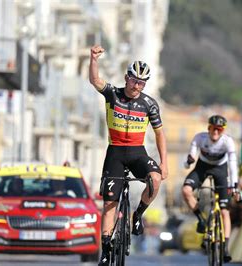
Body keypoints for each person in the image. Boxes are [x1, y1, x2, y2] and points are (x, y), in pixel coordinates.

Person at [89, 45, 168, 266]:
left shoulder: (149, 104)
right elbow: (95, 80)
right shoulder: (112, 93)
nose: (136, 86)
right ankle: (105, 252)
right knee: (109, 205)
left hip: (137, 152)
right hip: (115, 151)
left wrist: (165, 163)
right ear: (127, 78)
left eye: (141, 83)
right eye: (134, 80)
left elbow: (160, 135)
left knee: (155, 179)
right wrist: (93, 59)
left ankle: (138, 215)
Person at [181, 115, 239, 263]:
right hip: (202, 167)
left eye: (219, 129)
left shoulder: (228, 142)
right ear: (208, 128)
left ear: (223, 131)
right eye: (213, 128)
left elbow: (232, 165)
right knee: (186, 190)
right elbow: (188, 162)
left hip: (220, 169)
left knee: (225, 211)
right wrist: (188, 161)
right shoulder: (200, 138)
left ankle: (225, 247)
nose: (216, 132)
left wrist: (235, 185)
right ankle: (201, 220)